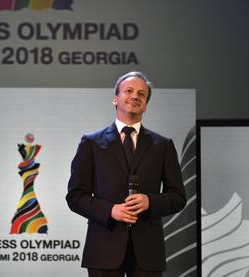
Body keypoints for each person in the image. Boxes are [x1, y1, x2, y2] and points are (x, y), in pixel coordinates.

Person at [66, 71, 186, 277]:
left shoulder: (163, 145)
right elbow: (76, 197)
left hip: (148, 252)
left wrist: (150, 201)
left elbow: (178, 197)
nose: (135, 96)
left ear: (146, 104)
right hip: (103, 248)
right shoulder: (91, 143)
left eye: (141, 94)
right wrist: (111, 211)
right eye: (128, 91)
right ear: (115, 99)